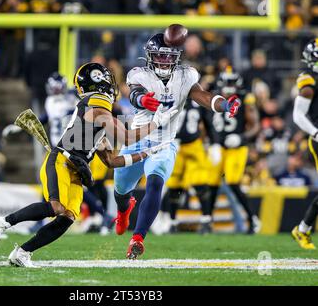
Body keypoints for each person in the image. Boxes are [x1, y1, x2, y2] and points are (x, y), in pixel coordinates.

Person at [0, 62, 177, 267]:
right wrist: (157, 122)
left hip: (75, 170)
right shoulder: (98, 112)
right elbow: (128, 138)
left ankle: (22, 252)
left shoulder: (99, 118)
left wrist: (145, 154)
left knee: (68, 217)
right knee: (56, 207)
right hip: (61, 161)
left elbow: (112, 162)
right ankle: (2, 223)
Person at [112, 31, 241, 260]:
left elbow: (202, 96)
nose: (164, 61)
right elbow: (134, 93)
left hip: (164, 143)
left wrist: (223, 104)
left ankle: (138, 238)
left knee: (154, 185)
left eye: (168, 57)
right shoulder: (139, 73)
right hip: (137, 139)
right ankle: (124, 210)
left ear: (177, 57)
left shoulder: (186, 75)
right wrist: (143, 100)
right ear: (150, 57)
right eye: (159, 57)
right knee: (121, 191)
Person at [206, 66, 261, 234]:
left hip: (237, 147)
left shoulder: (244, 99)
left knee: (232, 182)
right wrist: (211, 143)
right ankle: (207, 220)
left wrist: (242, 138)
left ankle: (253, 219)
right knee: (211, 182)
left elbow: (255, 125)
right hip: (218, 147)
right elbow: (204, 122)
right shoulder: (213, 99)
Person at [155, 99, 221, 235]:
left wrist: (215, 143)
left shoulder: (198, 100)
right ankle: (172, 222)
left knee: (200, 184)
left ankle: (206, 220)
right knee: (174, 186)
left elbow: (208, 122)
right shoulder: (169, 99)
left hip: (193, 146)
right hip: (174, 146)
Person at [291, 38, 318, 250]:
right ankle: (302, 230)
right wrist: (315, 132)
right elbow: (298, 115)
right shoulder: (309, 80)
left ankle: (302, 230)